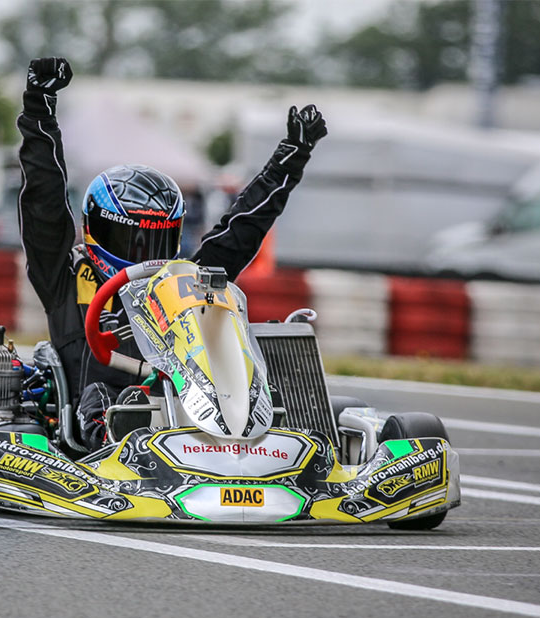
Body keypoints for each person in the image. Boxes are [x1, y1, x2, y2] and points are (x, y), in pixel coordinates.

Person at [17, 57, 327, 451]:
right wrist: (39, 105)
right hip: (101, 425)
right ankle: (130, 447)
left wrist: (293, 154)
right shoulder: (64, 278)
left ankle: (267, 436)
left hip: (194, 412)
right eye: (131, 239)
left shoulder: (184, 282)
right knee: (108, 400)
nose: (143, 253)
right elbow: (43, 200)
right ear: (96, 228)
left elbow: (241, 228)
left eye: (155, 239)